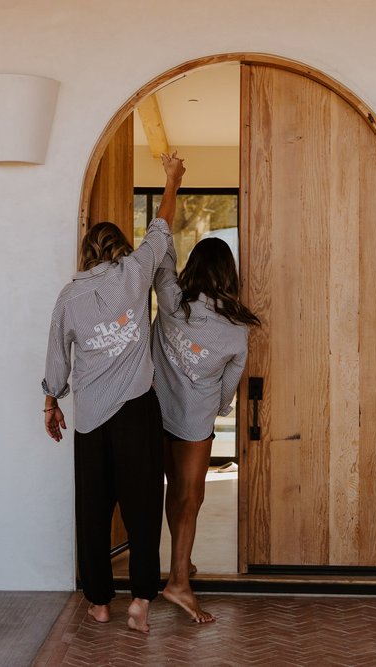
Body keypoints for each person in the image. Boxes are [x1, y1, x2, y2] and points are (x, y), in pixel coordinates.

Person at [42, 152, 186, 633]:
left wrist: (51, 400)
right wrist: (172, 179)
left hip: (90, 420)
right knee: (143, 508)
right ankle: (140, 603)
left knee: (93, 511)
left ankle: (100, 602)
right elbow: (162, 227)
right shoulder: (134, 273)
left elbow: (57, 358)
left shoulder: (69, 296)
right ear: (120, 248)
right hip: (136, 412)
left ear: (86, 252)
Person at [151, 236, 260, 623]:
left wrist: (168, 201)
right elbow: (231, 381)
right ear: (228, 273)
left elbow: (161, 262)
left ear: (194, 267)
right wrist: (219, 406)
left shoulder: (170, 302)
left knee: (174, 490)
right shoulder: (236, 328)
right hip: (195, 421)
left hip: (156, 411)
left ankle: (182, 565)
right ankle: (179, 581)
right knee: (191, 499)